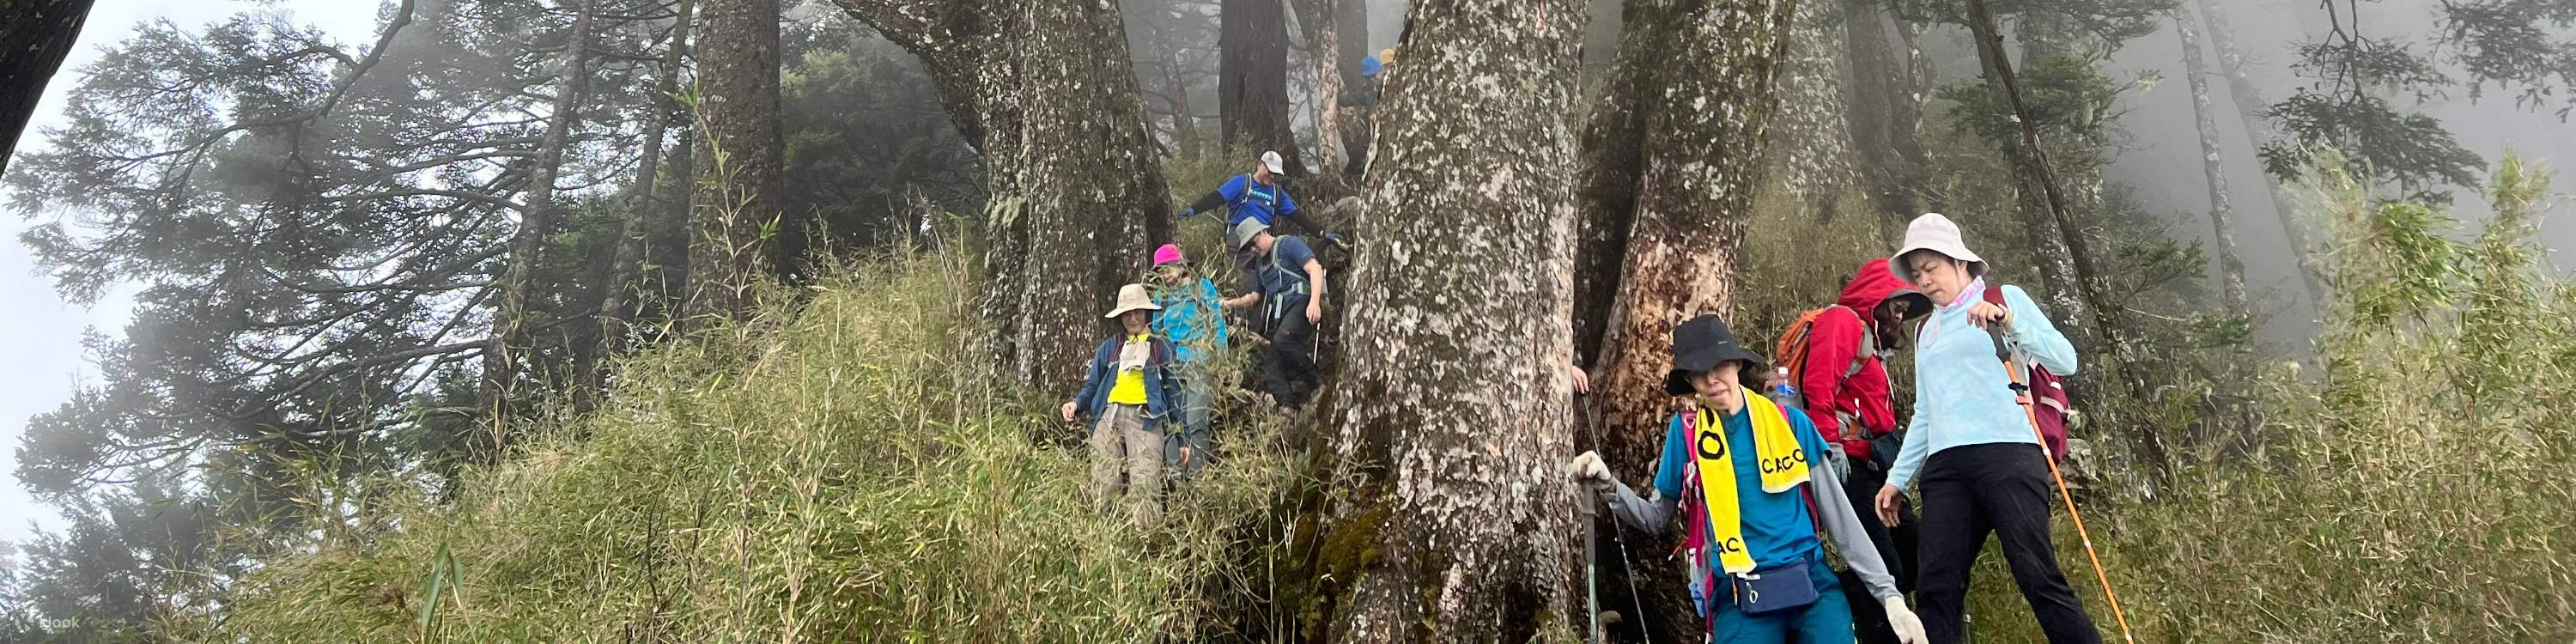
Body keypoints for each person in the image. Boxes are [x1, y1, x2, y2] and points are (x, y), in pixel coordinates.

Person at [1569, 314, 1926, 644]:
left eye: (1719, 365)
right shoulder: (1687, 433)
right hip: (1739, 593)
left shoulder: (1791, 425)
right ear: (1689, 380)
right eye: (1698, 371)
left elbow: (1841, 520)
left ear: (1737, 363)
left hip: (1810, 581)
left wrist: (1889, 596)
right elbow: (1654, 518)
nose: (1711, 379)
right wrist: (1607, 484)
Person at [1872, 213, 2099, 644]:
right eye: (1916, 274)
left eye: (1931, 268)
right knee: (1937, 585)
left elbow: (2065, 360)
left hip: (2008, 455)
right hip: (1946, 469)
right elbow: (1926, 411)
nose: (1924, 281)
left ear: (1959, 262)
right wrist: (1897, 479)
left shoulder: (2003, 298)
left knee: (2037, 575)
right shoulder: (1926, 331)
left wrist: (2008, 321)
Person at [1771, 258, 1931, 644]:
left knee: (1921, 554)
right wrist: (1829, 449)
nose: (1900, 315)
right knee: (1887, 570)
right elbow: (1818, 384)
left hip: (1874, 470)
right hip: (1850, 468)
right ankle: (1829, 610)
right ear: (1876, 298)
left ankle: (1822, 599)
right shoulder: (1842, 321)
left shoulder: (1868, 343)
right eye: (1896, 306)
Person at [1061, 283, 1183, 526]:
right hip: (1109, 416)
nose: (1133, 318)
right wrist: (1076, 404)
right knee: (1105, 482)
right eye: (1127, 313)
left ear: (1146, 312)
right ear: (1121, 317)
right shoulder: (1110, 347)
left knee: (1145, 484)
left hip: (1147, 418)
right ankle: (1104, 541)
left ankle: (1146, 544)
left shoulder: (1161, 347)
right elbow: (1093, 385)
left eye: (1137, 311)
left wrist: (1182, 436)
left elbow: (1176, 392)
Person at [1220, 218, 1326, 410]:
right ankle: (1287, 406)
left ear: (1263, 233)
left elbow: (1315, 269)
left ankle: (1317, 385)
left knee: (1283, 339)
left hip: (1303, 304)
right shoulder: (1261, 266)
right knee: (1272, 360)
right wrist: (1229, 304)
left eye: (1253, 244)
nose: (1253, 250)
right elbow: (1255, 296)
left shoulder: (1288, 244)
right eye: (1248, 248)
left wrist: (1315, 302)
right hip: (1283, 314)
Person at [1149, 244, 1227, 480]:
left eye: (1168, 268)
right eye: (1161, 271)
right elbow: (1156, 333)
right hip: (1171, 366)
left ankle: (1200, 480)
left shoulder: (1202, 288)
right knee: (1172, 424)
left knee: (1196, 421)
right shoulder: (1161, 297)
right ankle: (1177, 482)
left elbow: (1217, 323)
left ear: (1181, 264)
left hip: (1199, 361)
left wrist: (1222, 359)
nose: (1165, 274)